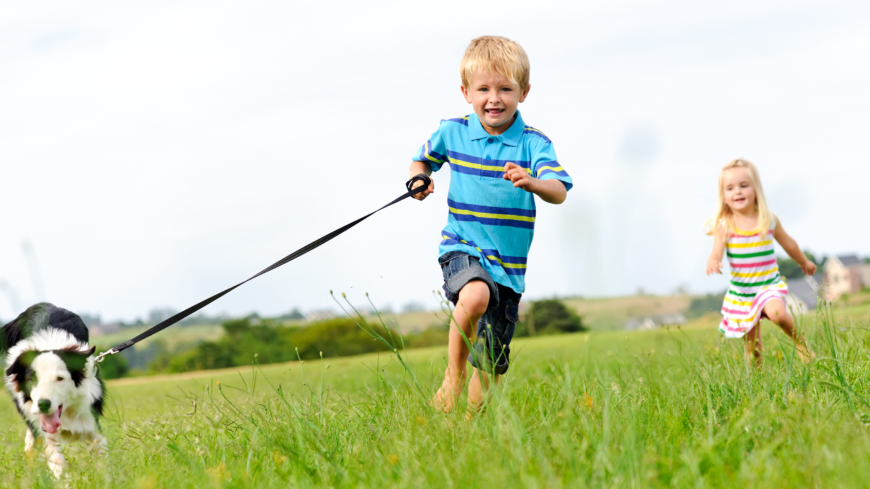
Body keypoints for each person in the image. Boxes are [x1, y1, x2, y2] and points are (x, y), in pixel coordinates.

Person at [407, 36, 573, 413]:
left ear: (523, 92)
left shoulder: (533, 143)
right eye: (483, 89)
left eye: (505, 89)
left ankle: (468, 429)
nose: (494, 98)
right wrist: (419, 179)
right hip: (463, 245)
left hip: (509, 267)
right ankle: (453, 377)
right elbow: (421, 161)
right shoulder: (452, 131)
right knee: (475, 295)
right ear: (466, 92)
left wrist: (533, 182)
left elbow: (559, 190)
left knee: (490, 364)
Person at [705, 158, 815, 366]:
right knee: (752, 347)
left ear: (756, 189)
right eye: (730, 188)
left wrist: (804, 262)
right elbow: (716, 252)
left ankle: (801, 344)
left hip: (768, 285)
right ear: (724, 196)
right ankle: (757, 376)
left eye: (743, 185)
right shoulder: (725, 225)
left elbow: (788, 243)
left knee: (778, 314)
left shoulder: (767, 219)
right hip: (743, 292)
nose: (737, 192)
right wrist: (713, 261)